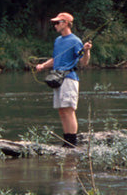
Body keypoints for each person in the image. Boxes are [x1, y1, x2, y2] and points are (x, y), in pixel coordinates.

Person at [34, 12, 91, 148]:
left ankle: (71, 143)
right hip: (58, 78)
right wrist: (43, 65)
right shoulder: (58, 41)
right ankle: (66, 140)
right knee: (61, 110)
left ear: (65, 23)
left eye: (57, 22)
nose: (55, 25)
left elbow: (83, 62)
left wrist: (87, 51)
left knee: (69, 110)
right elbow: (55, 60)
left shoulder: (75, 41)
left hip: (69, 79)